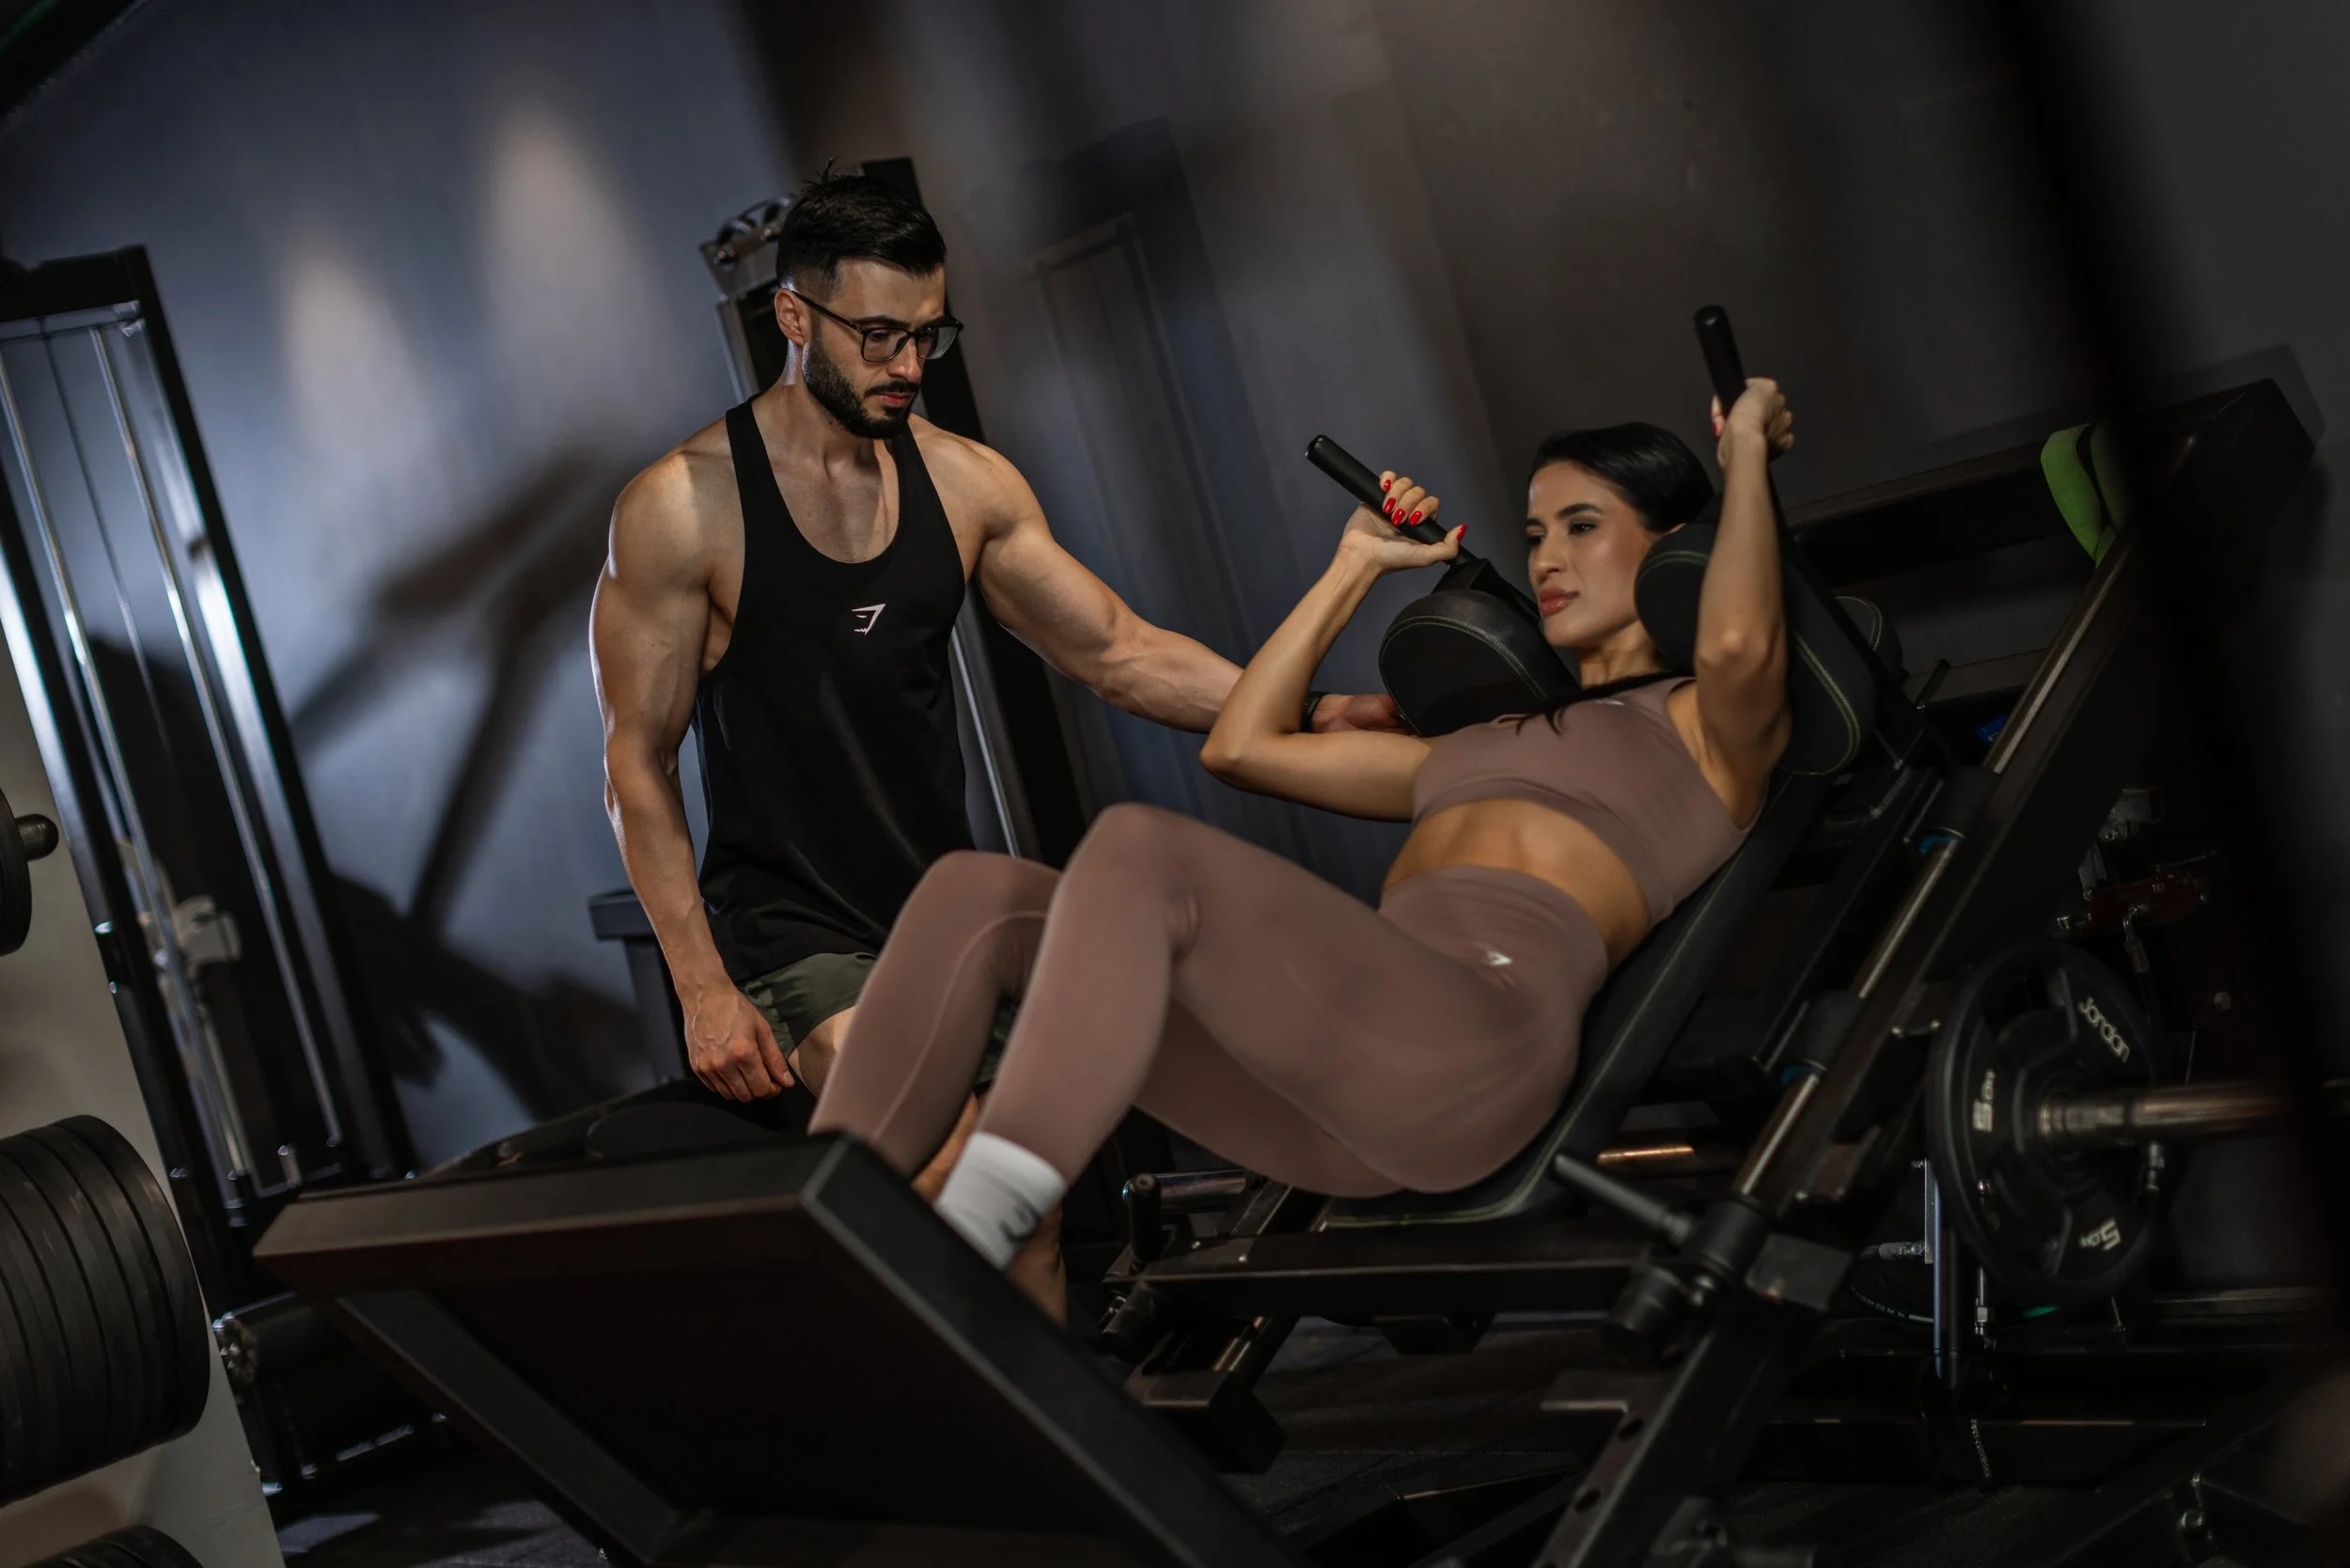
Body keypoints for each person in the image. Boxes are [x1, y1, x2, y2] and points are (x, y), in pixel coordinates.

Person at [807, 379, 1797, 1299]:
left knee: (1143, 851)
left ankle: (967, 1235)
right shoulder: (1455, 750)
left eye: (1583, 527)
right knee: (976, 892)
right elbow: (1240, 746)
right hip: (1341, 1101)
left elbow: (1740, 639)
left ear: (1671, 546)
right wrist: (1354, 565)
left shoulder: (1708, 728)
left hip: (1476, 1055)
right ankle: (815, 1245)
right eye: (1536, 531)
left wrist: (1745, 450)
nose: (1545, 558)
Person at [592, 174, 1393, 1303]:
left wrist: (1309, 716)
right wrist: (701, 985)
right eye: (876, 336)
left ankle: (1051, 1469)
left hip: (948, 906)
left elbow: (1120, 652)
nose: (908, 366)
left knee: (1026, 1215)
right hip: (799, 929)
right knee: (942, 1167)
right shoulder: (683, 507)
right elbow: (637, 763)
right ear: (791, 316)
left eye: (927, 336)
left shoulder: (966, 483)